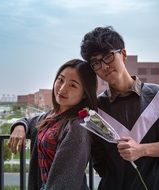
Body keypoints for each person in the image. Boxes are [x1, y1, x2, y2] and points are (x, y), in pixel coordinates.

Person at [80, 26, 159, 190]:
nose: (104, 66)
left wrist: (142, 150)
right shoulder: (96, 110)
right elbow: (98, 158)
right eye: (96, 62)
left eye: (108, 56)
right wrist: (24, 124)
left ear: (123, 54)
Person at [8, 59, 98, 190]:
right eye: (60, 80)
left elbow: (65, 183)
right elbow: (30, 122)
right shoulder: (51, 116)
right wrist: (19, 126)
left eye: (72, 85)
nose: (62, 88)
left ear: (84, 94)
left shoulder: (77, 126)